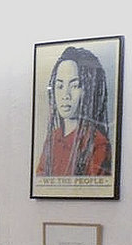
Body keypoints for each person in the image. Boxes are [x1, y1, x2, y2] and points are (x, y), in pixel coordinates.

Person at [36, 46, 112, 177]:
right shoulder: (53, 138)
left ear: (88, 90)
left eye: (74, 86)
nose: (65, 95)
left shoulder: (97, 143)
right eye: (60, 86)